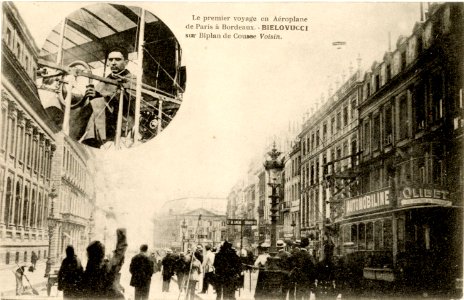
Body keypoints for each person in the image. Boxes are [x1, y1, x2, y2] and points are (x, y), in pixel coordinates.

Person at [79, 47, 136, 148]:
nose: (113, 63)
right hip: (102, 117)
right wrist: (91, 95)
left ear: (126, 62)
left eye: (117, 59)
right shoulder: (105, 80)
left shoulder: (132, 79)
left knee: (98, 102)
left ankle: (92, 138)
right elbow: (96, 97)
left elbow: (129, 100)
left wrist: (100, 97)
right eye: (110, 60)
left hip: (122, 120)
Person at [81, 228, 128, 298]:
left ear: (88, 255)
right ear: (102, 254)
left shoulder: (87, 272)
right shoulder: (106, 268)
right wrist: (121, 233)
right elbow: (119, 255)